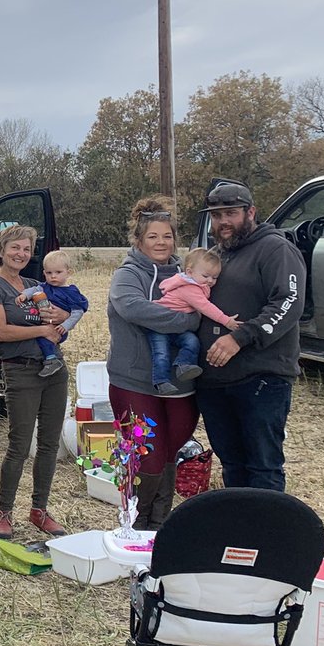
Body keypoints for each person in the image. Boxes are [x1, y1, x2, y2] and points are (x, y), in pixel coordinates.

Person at [195, 182, 306, 491]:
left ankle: (267, 536)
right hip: (215, 382)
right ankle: (240, 534)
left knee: (263, 466)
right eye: (216, 216)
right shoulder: (217, 255)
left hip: (261, 378)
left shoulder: (275, 249)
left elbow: (288, 302)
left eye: (230, 213)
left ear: (251, 212)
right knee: (232, 465)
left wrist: (240, 337)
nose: (223, 222)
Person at [106, 196, 201, 529]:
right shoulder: (127, 274)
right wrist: (189, 321)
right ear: (139, 240)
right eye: (153, 237)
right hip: (133, 380)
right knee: (149, 456)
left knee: (169, 453)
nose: (161, 243)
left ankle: (159, 524)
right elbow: (133, 308)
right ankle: (135, 522)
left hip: (179, 383)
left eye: (167, 236)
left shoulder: (187, 273)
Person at [0, 227, 72, 540]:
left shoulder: (36, 285)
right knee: (19, 444)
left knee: (49, 443)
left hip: (54, 370)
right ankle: (4, 511)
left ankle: (40, 509)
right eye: (15, 248)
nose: (21, 254)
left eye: (27, 249)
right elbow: (1, 332)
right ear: (1, 250)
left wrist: (61, 320)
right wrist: (41, 332)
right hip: (20, 371)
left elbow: (56, 321)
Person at [147, 247, 240, 395]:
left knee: (192, 341)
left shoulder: (197, 284)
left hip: (177, 328)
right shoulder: (190, 288)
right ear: (189, 272)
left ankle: (183, 365)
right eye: (206, 276)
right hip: (159, 326)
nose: (210, 281)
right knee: (161, 352)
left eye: (215, 277)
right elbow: (205, 307)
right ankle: (161, 381)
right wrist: (226, 321)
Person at [14, 250, 89, 377]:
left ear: (69, 272)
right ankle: (50, 359)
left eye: (58, 272)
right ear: (44, 273)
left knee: (43, 339)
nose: (53, 276)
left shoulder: (71, 292)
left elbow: (77, 312)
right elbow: (34, 290)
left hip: (60, 328)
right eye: (49, 273)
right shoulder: (45, 287)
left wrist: (66, 325)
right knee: (39, 335)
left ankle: (51, 359)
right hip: (45, 323)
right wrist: (24, 295)